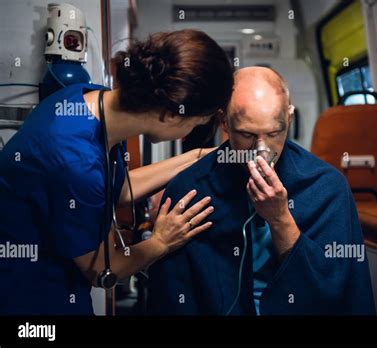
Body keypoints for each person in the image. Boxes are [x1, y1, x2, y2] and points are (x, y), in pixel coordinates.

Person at [0, 30, 234, 315]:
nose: (190, 133)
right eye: (196, 123)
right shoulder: (75, 162)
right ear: (172, 114)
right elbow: (102, 270)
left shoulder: (89, 100)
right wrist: (161, 241)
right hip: (31, 300)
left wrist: (197, 157)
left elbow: (117, 189)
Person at [147, 67, 375, 315]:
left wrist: (280, 219)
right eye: (247, 135)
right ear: (224, 121)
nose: (261, 150)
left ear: (289, 118)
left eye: (274, 133)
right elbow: (172, 294)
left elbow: (337, 290)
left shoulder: (327, 187)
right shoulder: (190, 188)